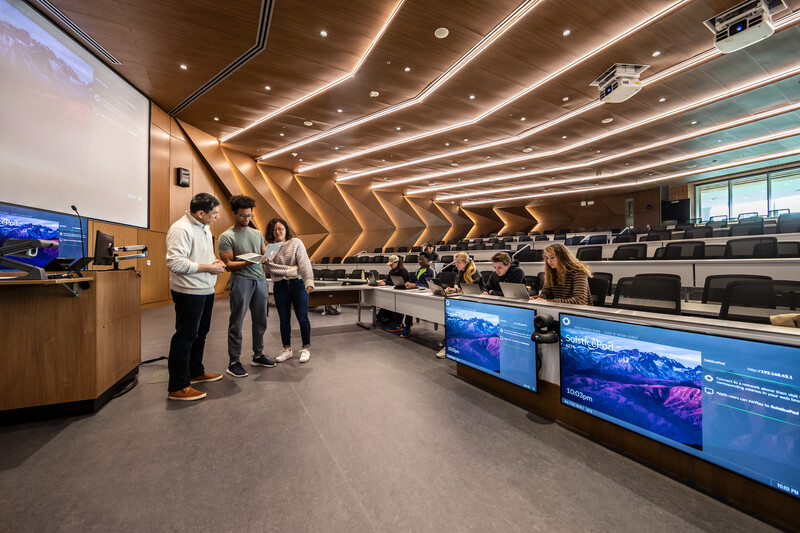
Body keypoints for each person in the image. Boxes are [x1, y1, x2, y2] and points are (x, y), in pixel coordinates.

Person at [165, 192, 226, 401]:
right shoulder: (181, 229)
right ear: (200, 213)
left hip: (205, 289)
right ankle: (178, 386)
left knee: (201, 334)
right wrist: (209, 267)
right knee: (185, 336)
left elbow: (198, 257)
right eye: (215, 213)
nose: (217, 217)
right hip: (189, 291)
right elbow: (176, 263)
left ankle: (195, 372)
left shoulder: (204, 227)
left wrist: (213, 261)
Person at [218, 195, 274, 378]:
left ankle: (258, 355)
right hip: (241, 280)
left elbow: (264, 253)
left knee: (260, 320)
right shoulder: (226, 237)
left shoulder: (256, 234)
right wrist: (247, 263)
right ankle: (234, 362)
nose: (247, 219)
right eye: (243, 215)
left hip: (260, 280)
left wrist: (270, 254)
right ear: (234, 214)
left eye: (249, 215)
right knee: (237, 322)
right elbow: (227, 265)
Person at [264, 218, 315, 363]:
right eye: (274, 230)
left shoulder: (296, 243)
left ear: (286, 229)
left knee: (303, 318)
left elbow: (304, 263)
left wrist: (308, 281)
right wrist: (292, 269)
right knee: (284, 319)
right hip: (280, 286)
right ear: (271, 233)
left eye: (280, 228)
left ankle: (305, 348)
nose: (278, 232)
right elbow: (269, 268)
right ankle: (287, 349)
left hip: (297, 285)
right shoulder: (270, 248)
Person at [394, 251, 436, 338]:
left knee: (410, 303)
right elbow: (413, 281)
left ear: (428, 260)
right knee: (407, 303)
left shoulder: (432, 271)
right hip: (415, 293)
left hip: (426, 296)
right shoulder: (417, 271)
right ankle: (406, 326)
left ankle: (407, 326)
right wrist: (409, 284)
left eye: (422, 259)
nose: (419, 261)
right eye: (418, 259)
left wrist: (416, 285)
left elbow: (432, 286)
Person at [378, 254, 410, 330]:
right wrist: (384, 281)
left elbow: (399, 282)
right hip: (394, 291)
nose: (390, 266)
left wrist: (386, 283)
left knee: (398, 306)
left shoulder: (403, 271)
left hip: (403, 293)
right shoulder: (391, 271)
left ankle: (399, 323)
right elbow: (390, 280)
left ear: (396, 263)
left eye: (391, 264)